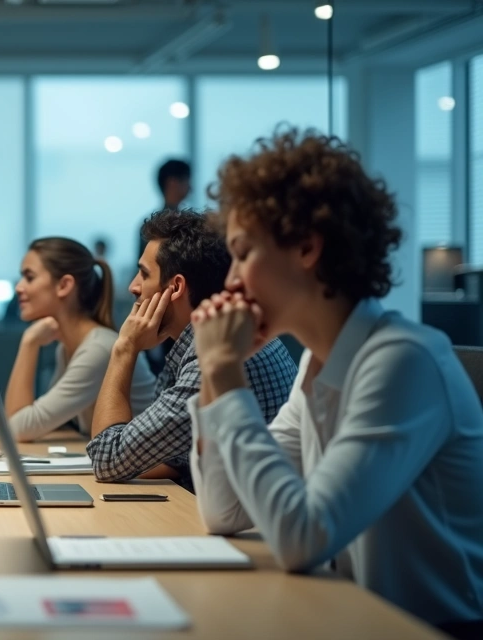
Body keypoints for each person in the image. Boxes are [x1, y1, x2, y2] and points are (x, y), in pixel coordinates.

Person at [189, 129, 483, 634]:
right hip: (355, 620)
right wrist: (215, 380)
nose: (231, 279)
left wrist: (223, 371)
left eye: (242, 252)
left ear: (307, 247)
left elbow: (300, 538)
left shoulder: (401, 361)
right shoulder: (317, 364)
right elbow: (224, 510)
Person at [86, 208, 296, 491]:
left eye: (143, 274)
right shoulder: (215, 338)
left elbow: (107, 459)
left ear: (176, 287)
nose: (133, 286)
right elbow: (167, 453)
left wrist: (125, 348)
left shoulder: (210, 355)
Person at [0, 238, 155, 441]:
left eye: (30, 277)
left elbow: (19, 428)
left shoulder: (98, 349)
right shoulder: (69, 346)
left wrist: (29, 342)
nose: (19, 287)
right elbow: (43, 417)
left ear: (64, 285)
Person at [139, 159, 194, 376]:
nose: (190, 187)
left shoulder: (157, 224)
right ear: (173, 182)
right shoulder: (165, 227)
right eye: (187, 181)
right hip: (171, 308)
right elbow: (147, 275)